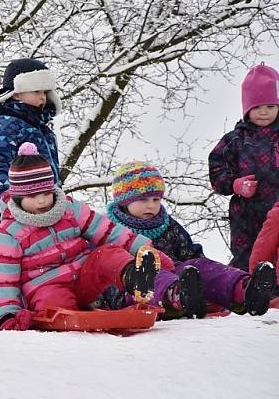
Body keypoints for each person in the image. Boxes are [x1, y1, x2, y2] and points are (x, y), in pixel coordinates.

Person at [0, 143, 171, 331]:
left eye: (46, 193)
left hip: (84, 276)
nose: (42, 200)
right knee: (54, 300)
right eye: (33, 196)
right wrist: (7, 316)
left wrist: (148, 249)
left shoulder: (69, 209)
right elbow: (5, 280)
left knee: (107, 253)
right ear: (19, 198)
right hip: (46, 286)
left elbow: (108, 231)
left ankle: (135, 277)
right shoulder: (8, 232)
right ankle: (71, 321)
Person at [107, 161, 277, 318]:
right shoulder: (110, 231)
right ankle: (177, 296)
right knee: (150, 273)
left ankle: (244, 290)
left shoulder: (168, 225)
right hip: (134, 287)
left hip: (178, 276)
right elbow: (101, 267)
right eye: (143, 199)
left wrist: (203, 273)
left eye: (156, 199)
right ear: (124, 201)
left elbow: (190, 254)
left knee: (200, 265)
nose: (151, 205)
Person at [0, 58, 61, 231]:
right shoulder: (1, 125)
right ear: (16, 93)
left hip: (46, 209)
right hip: (18, 219)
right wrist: (4, 216)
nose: (43, 97)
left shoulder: (40, 127)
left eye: (45, 92)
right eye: (36, 91)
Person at [209, 63, 279, 270]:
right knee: (246, 259)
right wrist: (235, 184)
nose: (264, 113)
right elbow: (216, 170)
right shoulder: (235, 140)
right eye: (257, 107)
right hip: (246, 214)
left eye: (270, 107)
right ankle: (244, 293)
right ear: (247, 108)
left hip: (278, 209)